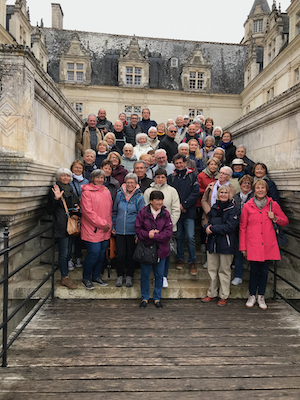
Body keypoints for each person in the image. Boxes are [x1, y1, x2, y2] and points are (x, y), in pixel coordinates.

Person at [240, 179, 288, 309]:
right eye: (258, 188)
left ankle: (261, 295)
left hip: (268, 244)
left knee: (265, 271)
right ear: (253, 190)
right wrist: (243, 247)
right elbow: (243, 227)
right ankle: (252, 295)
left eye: (263, 188)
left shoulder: (273, 205)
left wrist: (275, 218)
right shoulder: (247, 206)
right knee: (253, 270)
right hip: (253, 243)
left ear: (266, 190)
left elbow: (285, 221)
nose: (260, 190)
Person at [201, 186, 239, 307]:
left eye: (225, 192)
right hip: (213, 242)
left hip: (226, 243)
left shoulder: (233, 209)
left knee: (224, 271)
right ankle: (211, 293)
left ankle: (223, 295)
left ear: (230, 194)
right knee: (212, 269)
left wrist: (212, 228)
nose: (223, 194)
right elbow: (210, 222)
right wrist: (206, 227)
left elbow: (229, 227)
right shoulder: (214, 207)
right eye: (221, 192)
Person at [135, 190, 173, 308]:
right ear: (151, 201)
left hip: (161, 249)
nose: (159, 202)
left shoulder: (166, 214)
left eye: (161, 199)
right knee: (145, 275)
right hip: (146, 248)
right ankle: (145, 297)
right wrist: (148, 235)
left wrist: (154, 236)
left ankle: (157, 297)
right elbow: (138, 229)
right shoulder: (143, 212)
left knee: (159, 275)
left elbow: (168, 233)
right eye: (157, 199)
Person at [144, 169, 181, 288]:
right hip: (151, 230)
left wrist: (168, 226)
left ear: (166, 178)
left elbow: (176, 209)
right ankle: (155, 276)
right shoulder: (148, 191)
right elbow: (145, 210)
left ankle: (163, 276)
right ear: (154, 178)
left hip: (168, 229)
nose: (160, 179)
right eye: (158, 177)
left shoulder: (172, 191)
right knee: (152, 252)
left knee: (165, 253)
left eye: (163, 177)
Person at [47, 168, 79, 289]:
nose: (65, 178)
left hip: (71, 224)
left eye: (68, 176)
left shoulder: (71, 189)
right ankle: (64, 277)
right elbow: (49, 210)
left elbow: (72, 206)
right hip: (61, 225)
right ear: (59, 177)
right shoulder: (54, 189)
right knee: (63, 252)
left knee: (68, 251)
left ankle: (66, 274)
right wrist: (56, 198)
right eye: (63, 176)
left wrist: (76, 208)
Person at [80, 169, 112, 290]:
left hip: (105, 229)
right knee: (94, 253)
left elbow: (109, 210)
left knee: (101, 255)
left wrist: (109, 224)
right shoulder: (86, 192)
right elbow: (88, 212)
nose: (100, 180)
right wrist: (103, 223)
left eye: (102, 178)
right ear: (92, 178)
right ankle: (86, 277)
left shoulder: (106, 191)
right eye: (97, 177)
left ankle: (96, 276)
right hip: (92, 228)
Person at [168, 154, 199, 275]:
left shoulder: (192, 176)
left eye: (181, 163)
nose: (179, 165)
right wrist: (178, 207)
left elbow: (195, 193)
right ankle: (180, 258)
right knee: (179, 236)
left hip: (189, 212)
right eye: (176, 163)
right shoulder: (171, 177)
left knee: (190, 237)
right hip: (176, 212)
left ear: (185, 163)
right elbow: (170, 194)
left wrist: (184, 205)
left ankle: (192, 260)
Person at [112, 173, 145, 288]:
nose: (130, 184)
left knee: (131, 255)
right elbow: (115, 211)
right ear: (125, 183)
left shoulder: (140, 197)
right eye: (128, 182)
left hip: (133, 231)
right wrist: (113, 226)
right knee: (121, 255)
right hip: (120, 230)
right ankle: (120, 276)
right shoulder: (119, 194)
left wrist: (139, 232)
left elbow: (142, 216)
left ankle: (130, 276)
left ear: (136, 184)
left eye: (132, 182)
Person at [231, 174, 254, 286]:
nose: (246, 185)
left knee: (253, 252)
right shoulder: (235, 198)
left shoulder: (255, 197)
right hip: (238, 229)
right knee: (239, 252)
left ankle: (253, 275)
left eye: (249, 183)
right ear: (240, 185)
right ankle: (238, 275)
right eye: (244, 183)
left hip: (252, 229)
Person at [196, 157, 220, 252]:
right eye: (211, 164)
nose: (213, 166)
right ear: (208, 165)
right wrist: (209, 190)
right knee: (204, 223)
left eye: (215, 164)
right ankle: (203, 242)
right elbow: (197, 189)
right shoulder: (201, 175)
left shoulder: (220, 175)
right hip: (203, 202)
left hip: (216, 203)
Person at [69, 160, 89, 270]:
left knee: (79, 237)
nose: (77, 170)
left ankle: (77, 256)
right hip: (72, 212)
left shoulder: (85, 181)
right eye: (76, 168)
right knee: (71, 234)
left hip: (83, 212)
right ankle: (69, 258)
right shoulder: (69, 181)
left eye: (80, 168)